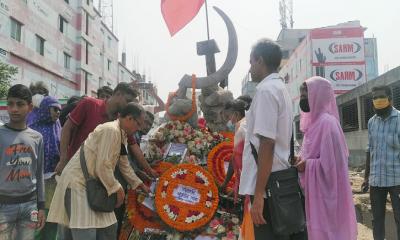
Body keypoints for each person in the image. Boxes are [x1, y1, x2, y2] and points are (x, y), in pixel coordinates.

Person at [47, 102, 149, 240]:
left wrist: (138, 184)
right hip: (78, 184)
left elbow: (124, 165)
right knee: (84, 233)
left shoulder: (121, 134)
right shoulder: (111, 130)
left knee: (109, 227)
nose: (139, 128)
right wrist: (117, 189)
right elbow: (103, 166)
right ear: (129, 118)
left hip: (95, 186)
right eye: (138, 124)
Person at [239, 39, 305, 240]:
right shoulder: (279, 88)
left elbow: (267, 144)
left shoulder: (266, 91)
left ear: (260, 61)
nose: (250, 68)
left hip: (269, 187)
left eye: (251, 62)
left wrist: (259, 195)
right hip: (279, 180)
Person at [296, 77, 357, 240]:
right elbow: (311, 153)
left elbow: (333, 166)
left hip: (328, 197)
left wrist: (307, 165)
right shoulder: (312, 125)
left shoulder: (328, 123)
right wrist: (300, 159)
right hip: (314, 194)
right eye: (301, 96)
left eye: (305, 95)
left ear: (319, 96)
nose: (302, 99)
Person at [55, 82, 138, 175]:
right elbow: (67, 128)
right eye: (127, 101)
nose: (128, 106)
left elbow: (131, 147)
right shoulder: (89, 104)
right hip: (75, 169)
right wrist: (63, 159)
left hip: (98, 176)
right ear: (118, 94)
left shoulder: (120, 121)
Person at [0, 84, 46, 240]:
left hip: (30, 207)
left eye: (20, 104)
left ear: (30, 107)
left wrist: (41, 207)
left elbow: (39, 173)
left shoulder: (37, 138)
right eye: (10, 104)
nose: (14, 109)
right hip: (3, 207)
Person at [362, 85, 400, 240]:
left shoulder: (399, 119)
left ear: (390, 98)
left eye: (381, 97)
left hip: (397, 180)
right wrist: (366, 178)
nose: (377, 100)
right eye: (374, 97)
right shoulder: (372, 122)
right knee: (377, 220)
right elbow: (369, 150)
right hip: (376, 181)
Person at [28, 96, 62, 240]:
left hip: (53, 181)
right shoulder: (32, 126)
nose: (58, 112)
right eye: (55, 109)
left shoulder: (57, 126)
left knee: (52, 219)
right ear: (45, 109)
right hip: (34, 183)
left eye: (60, 110)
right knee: (34, 221)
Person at [220, 98, 251, 201]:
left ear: (236, 114)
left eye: (229, 116)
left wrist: (225, 184)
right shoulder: (247, 124)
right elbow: (235, 158)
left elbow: (236, 158)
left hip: (251, 181)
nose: (229, 121)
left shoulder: (242, 128)